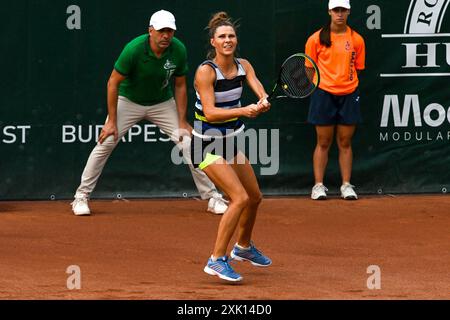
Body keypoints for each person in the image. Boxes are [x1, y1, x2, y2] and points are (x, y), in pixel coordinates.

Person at [71, 10, 228, 216]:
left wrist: (181, 120)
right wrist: (112, 121)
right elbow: (113, 83)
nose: (166, 35)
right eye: (162, 30)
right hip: (128, 101)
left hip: (162, 103)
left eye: (169, 31)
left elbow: (180, 85)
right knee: (105, 142)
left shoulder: (178, 49)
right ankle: (81, 197)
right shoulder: (134, 49)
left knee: (189, 143)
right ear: (150, 31)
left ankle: (212, 197)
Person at [191, 12, 272, 282]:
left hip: (230, 142)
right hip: (205, 144)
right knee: (239, 198)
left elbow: (257, 85)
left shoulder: (243, 65)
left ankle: (243, 247)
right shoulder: (206, 71)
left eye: (231, 36)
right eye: (222, 37)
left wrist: (262, 98)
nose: (228, 40)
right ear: (213, 42)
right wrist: (244, 110)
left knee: (255, 197)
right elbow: (211, 113)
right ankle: (216, 259)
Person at [305, 0, 365, 200]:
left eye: (343, 10)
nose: (340, 13)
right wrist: (320, 85)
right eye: (336, 10)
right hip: (323, 94)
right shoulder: (315, 39)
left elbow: (357, 67)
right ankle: (318, 186)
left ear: (348, 12)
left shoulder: (357, 40)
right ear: (329, 11)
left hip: (349, 93)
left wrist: (344, 83)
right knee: (323, 141)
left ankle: (346, 185)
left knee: (345, 141)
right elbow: (308, 67)